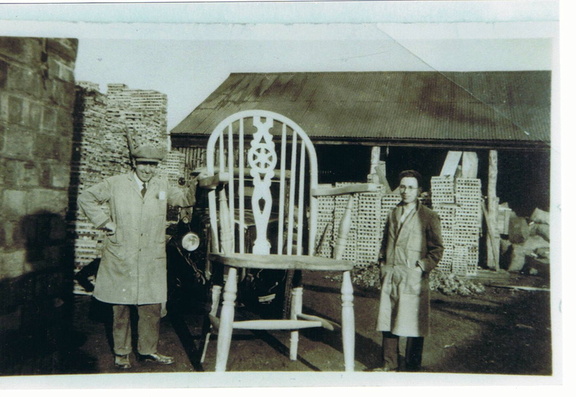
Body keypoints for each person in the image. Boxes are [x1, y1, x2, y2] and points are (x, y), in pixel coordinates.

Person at [78, 144, 196, 369]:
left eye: (153, 165)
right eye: (144, 164)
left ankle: (148, 351)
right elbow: (86, 198)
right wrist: (106, 223)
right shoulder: (116, 184)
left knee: (151, 306)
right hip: (122, 253)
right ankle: (121, 353)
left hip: (151, 255)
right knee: (120, 307)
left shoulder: (162, 186)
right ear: (134, 163)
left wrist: (198, 182)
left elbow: (184, 199)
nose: (148, 170)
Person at [376, 170, 444, 372]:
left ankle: (413, 367)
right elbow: (385, 242)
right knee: (388, 320)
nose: (405, 191)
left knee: (414, 323)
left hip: (413, 276)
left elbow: (437, 249)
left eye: (411, 187)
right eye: (403, 187)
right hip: (391, 273)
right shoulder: (393, 213)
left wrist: (421, 267)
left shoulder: (428, 216)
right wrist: (382, 264)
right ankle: (389, 364)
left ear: (419, 191)